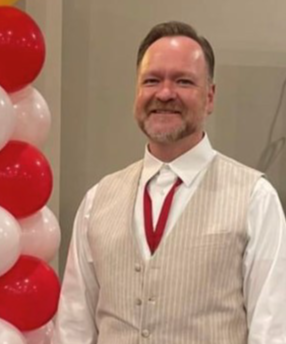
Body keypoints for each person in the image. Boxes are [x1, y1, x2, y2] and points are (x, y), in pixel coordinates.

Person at [55, 21, 286, 344]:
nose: (165, 93)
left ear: (210, 97)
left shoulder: (255, 199)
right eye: (152, 80)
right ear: (137, 92)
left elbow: (273, 330)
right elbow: (73, 326)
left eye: (183, 81)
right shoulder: (97, 200)